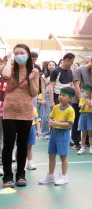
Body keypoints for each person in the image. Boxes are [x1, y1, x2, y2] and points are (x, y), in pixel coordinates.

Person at [1, 44, 40, 188]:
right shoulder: (10, 68)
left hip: (25, 112)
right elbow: (5, 76)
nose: (19, 55)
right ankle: (7, 176)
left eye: (21, 53)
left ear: (28, 55)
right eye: (16, 53)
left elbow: (34, 93)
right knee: (8, 145)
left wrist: (30, 79)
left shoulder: (34, 71)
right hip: (9, 111)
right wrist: (10, 58)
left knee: (23, 145)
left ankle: (21, 174)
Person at [38, 87, 75, 186]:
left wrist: (56, 123)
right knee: (51, 155)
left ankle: (64, 176)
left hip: (63, 134)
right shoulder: (55, 107)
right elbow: (51, 118)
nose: (60, 97)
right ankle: (50, 176)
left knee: (63, 156)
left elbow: (70, 124)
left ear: (70, 99)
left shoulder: (70, 110)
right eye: (60, 94)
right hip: (54, 133)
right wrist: (51, 122)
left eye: (64, 95)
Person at [73, 55, 92, 150]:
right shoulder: (80, 70)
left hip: (90, 97)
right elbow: (76, 85)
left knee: (89, 121)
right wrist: (81, 99)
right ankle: (76, 141)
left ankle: (87, 142)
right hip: (79, 98)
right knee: (78, 120)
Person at [77, 87, 92, 155]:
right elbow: (81, 108)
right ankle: (82, 147)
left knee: (90, 133)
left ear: (89, 92)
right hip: (83, 116)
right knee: (83, 133)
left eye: (84, 91)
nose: (83, 93)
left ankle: (91, 147)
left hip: (90, 115)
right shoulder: (82, 99)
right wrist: (85, 103)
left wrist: (90, 104)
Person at [40, 61, 56, 139]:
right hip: (47, 95)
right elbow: (42, 87)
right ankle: (45, 133)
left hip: (56, 95)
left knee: (55, 114)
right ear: (47, 66)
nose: (52, 66)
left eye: (53, 65)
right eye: (50, 65)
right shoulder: (44, 76)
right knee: (46, 115)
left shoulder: (58, 74)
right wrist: (43, 98)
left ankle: (54, 132)